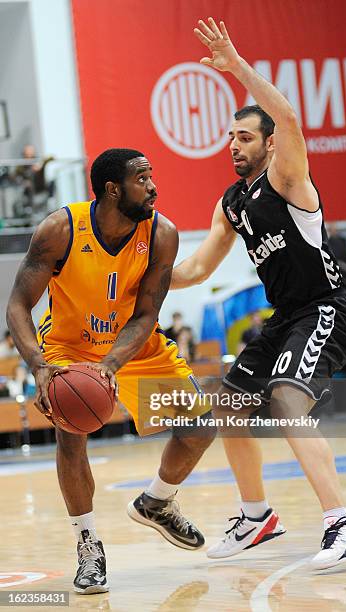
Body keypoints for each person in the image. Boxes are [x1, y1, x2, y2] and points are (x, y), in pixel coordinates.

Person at [171, 18, 346, 569]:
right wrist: (146, 277)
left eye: (244, 136)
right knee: (231, 408)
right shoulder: (231, 202)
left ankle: (343, 524)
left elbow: (287, 116)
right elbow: (195, 268)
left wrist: (234, 65)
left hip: (327, 309)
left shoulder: (288, 176)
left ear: (268, 143)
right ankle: (257, 517)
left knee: (287, 401)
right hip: (286, 317)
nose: (233, 145)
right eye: (231, 137)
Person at [7, 148, 214, 595]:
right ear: (112, 189)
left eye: (152, 176)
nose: (154, 186)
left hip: (133, 344)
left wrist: (111, 364)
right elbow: (18, 304)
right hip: (66, 345)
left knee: (201, 427)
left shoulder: (162, 234)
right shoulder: (59, 229)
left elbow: (146, 314)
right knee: (70, 435)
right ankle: (88, 544)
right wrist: (39, 366)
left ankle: (156, 502)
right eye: (143, 178)